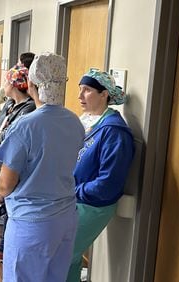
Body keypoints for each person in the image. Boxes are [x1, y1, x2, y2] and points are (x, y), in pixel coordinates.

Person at [0, 52, 84, 281]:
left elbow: (4, 185)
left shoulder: (26, 126)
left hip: (32, 224)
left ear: (31, 83)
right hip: (66, 218)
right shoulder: (74, 122)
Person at [66, 70, 135, 282]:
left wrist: (74, 191)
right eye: (80, 90)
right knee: (70, 257)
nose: (80, 96)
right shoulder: (88, 121)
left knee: (63, 254)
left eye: (86, 90)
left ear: (104, 94)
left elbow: (107, 184)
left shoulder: (115, 132)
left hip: (92, 204)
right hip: (73, 197)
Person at [0, 64, 36, 263]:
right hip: (1, 160)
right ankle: (6, 248)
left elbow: (10, 136)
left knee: (8, 205)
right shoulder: (10, 105)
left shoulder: (28, 109)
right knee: (3, 205)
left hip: (11, 163)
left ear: (14, 84)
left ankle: (5, 250)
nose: (3, 84)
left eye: (6, 80)